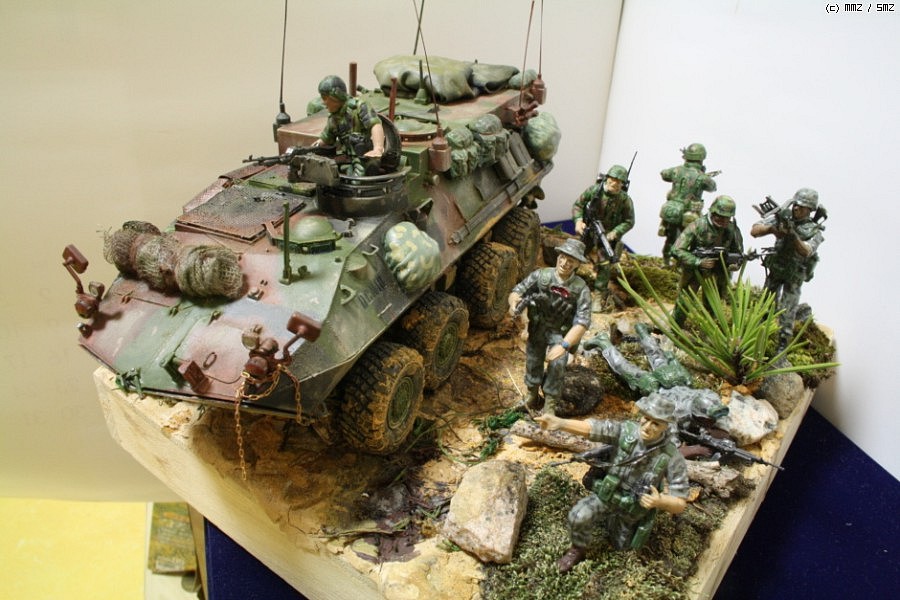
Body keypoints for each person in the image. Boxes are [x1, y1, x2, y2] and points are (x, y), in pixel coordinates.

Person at [537, 395, 689, 573]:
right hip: (606, 495)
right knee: (578, 516)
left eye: (656, 423)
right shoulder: (626, 431)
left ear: (666, 426)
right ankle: (577, 550)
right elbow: (593, 428)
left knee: (623, 549)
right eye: (646, 418)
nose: (647, 426)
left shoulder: (671, 456)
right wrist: (560, 423)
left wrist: (659, 501)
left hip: (632, 508)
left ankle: (616, 529)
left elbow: (680, 503)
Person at [507, 239, 592, 416]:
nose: (565, 263)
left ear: (577, 264)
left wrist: (564, 345)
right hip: (538, 326)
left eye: (571, 260)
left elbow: (582, 322)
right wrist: (514, 304)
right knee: (533, 360)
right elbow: (518, 290)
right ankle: (532, 395)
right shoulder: (542, 276)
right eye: (562, 257)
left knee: (557, 364)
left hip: (560, 333)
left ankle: (550, 404)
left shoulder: (580, 289)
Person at [750, 188, 825, 348]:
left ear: (810, 210)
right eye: (795, 205)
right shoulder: (783, 217)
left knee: (787, 311)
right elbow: (755, 230)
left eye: (802, 207)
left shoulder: (814, 230)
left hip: (794, 276)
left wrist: (792, 235)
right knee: (765, 304)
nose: (796, 208)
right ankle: (755, 337)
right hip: (776, 269)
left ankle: (782, 347)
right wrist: (772, 229)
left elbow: (807, 251)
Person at [670, 195, 744, 326]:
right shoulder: (698, 225)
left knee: (713, 305)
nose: (723, 221)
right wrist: (697, 262)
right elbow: (677, 249)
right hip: (695, 271)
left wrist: (735, 264)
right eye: (720, 216)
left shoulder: (732, 230)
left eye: (727, 218)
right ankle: (674, 328)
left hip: (718, 273)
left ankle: (706, 332)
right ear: (713, 212)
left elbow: (738, 253)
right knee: (685, 301)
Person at [572, 164, 635, 312]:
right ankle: (566, 280)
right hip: (588, 230)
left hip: (606, 236)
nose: (615, 183)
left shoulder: (624, 200)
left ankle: (598, 295)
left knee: (605, 264)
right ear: (607, 178)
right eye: (612, 179)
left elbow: (629, 221)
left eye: (619, 181)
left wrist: (615, 232)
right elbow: (578, 205)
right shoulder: (595, 191)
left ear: (623, 184)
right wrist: (578, 221)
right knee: (575, 254)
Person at [313, 75, 385, 177]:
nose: (324, 103)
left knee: (356, 180)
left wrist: (378, 148)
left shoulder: (359, 106)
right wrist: (314, 147)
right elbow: (327, 138)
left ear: (336, 96)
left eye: (325, 98)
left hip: (365, 157)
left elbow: (375, 125)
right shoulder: (334, 118)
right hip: (346, 159)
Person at [658, 143, 719, 263]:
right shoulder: (701, 177)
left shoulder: (676, 170)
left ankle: (666, 260)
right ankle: (681, 263)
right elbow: (713, 187)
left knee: (670, 238)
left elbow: (664, 174)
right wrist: (703, 174)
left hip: (672, 210)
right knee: (688, 240)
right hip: (689, 213)